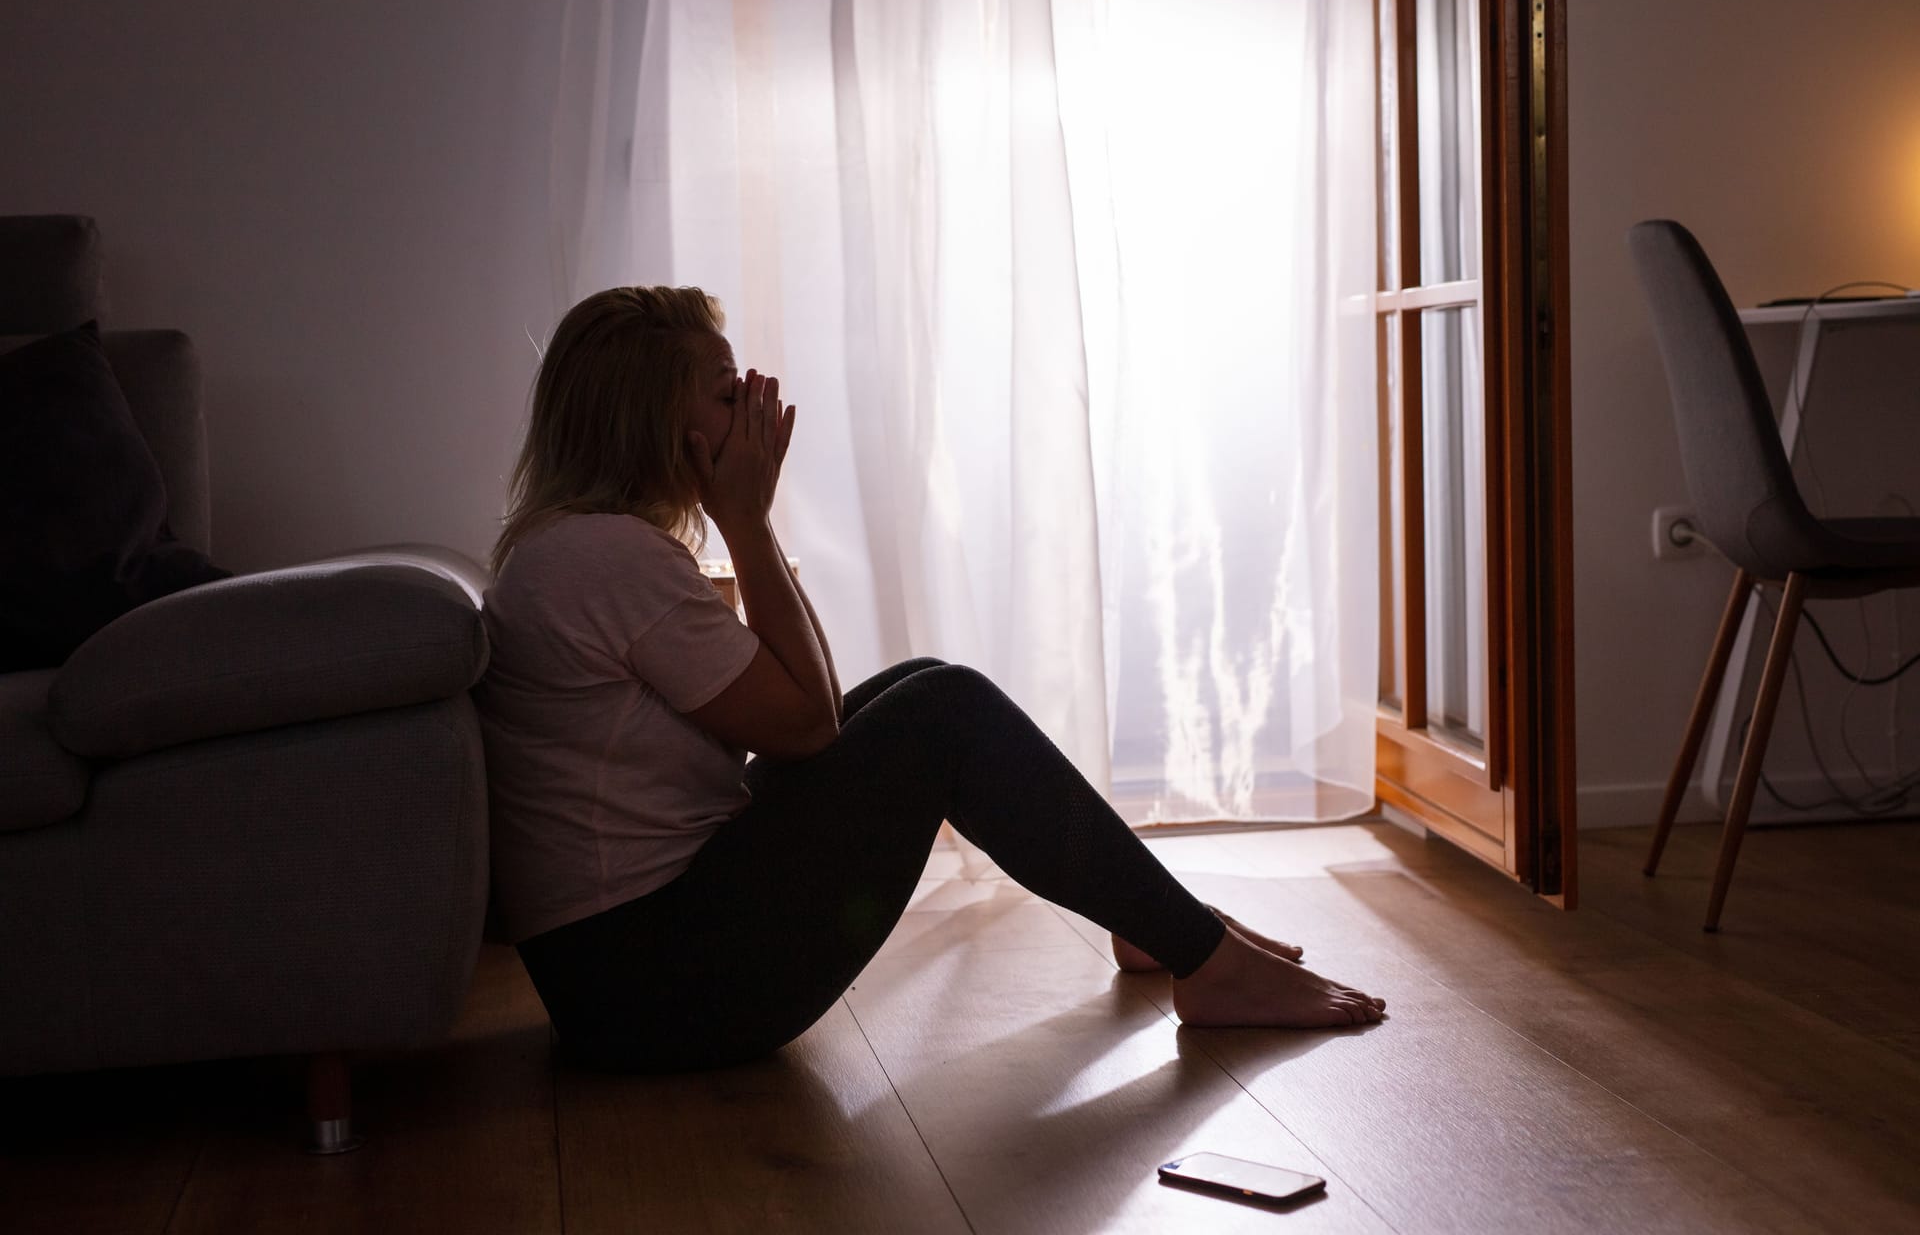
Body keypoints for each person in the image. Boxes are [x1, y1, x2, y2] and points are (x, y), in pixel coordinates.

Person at [475, 286, 1386, 1074]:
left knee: (919, 685)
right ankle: (1201, 956)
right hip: (654, 991)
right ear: (658, 427)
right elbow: (804, 726)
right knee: (943, 713)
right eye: (727, 392)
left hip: (629, 978)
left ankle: (1159, 922)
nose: (756, 402)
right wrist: (748, 524)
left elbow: (817, 711)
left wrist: (750, 522)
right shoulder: (605, 559)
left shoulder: (578, 549)